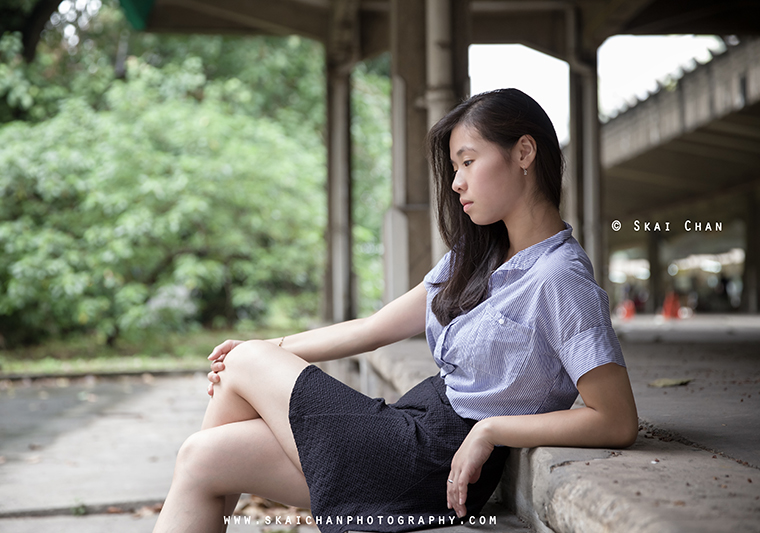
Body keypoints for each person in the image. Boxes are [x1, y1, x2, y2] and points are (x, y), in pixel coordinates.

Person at [152, 88, 638, 533]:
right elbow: (372, 328)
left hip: (429, 465)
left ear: (524, 154)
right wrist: (263, 352)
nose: (456, 183)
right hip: (405, 433)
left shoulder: (559, 279)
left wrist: (492, 429)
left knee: (241, 368)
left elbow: (615, 419)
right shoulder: (478, 258)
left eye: (468, 162)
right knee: (201, 457)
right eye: (454, 167)